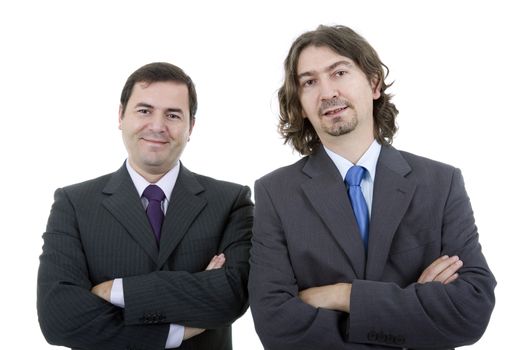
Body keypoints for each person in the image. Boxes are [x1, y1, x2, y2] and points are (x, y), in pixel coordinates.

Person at [248, 25, 496, 350]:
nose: (326, 93)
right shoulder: (275, 193)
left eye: (339, 72)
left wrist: (342, 295)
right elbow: (276, 326)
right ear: (300, 103)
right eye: (309, 82)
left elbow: (471, 310)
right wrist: (413, 311)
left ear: (374, 83)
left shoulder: (441, 183)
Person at [37, 62, 253, 350]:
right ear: (120, 116)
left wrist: (116, 290)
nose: (157, 126)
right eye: (144, 110)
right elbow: (59, 319)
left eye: (173, 115)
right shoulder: (74, 204)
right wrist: (178, 324)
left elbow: (232, 296)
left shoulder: (231, 201)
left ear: (191, 127)